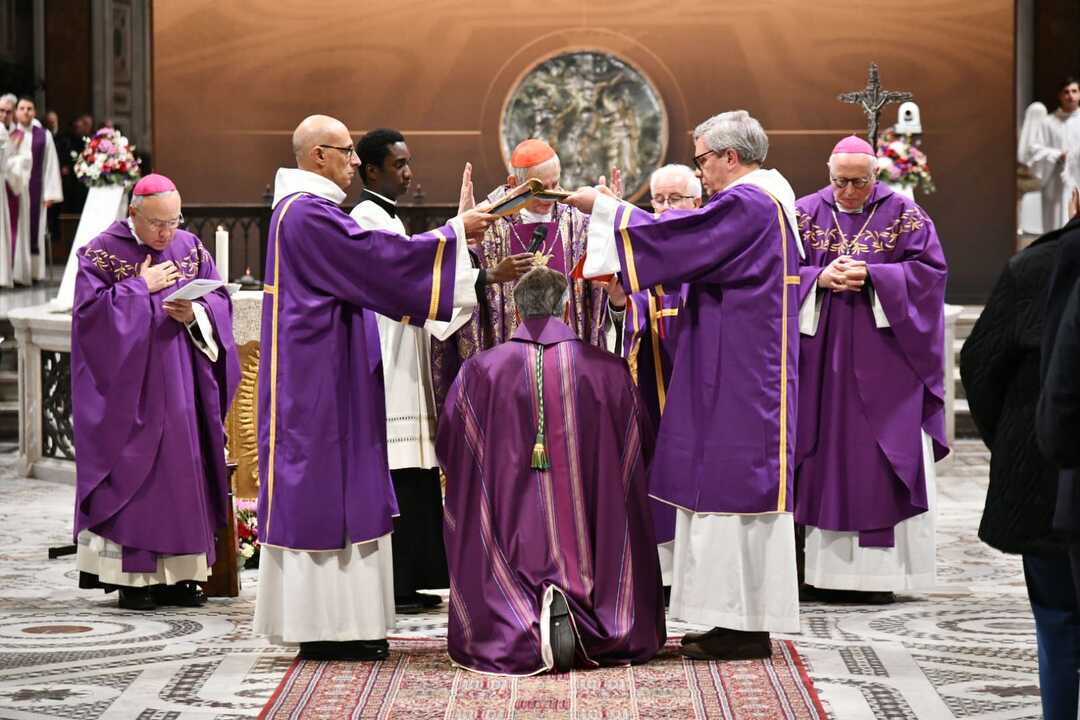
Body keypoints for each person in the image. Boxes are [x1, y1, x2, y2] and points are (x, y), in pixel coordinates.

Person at [252, 114, 493, 662]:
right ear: (317, 156)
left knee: (346, 491)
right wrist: (455, 232)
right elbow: (378, 261)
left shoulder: (306, 213)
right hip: (319, 388)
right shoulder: (308, 216)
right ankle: (325, 626)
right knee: (325, 495)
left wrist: (455, 234)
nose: (355, 161)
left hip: (331, 372)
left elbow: (378, 270)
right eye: (345, 151)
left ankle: (344, 624)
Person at [567, 109, 802, 661]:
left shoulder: (749, 202)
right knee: (719, 490)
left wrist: (603, 209)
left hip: (743, 373)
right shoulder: (767, 201)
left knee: (733, 490)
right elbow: (691, 252)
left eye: (702, 162)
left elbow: (682, 237)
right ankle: (731, 620)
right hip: (737, 360)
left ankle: (743, 626)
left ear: (730, 156)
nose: (701, 176)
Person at [437, 266, 665, 675]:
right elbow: (641, 444)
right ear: (564, 307)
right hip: (590, 527)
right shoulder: (609, 370)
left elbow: (451, 446)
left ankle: (512, 617)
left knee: (489, 520)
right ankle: (594, 617)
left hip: (508, 521)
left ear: (517, 309)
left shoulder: (479, 371)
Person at [71, 173, 240, 610]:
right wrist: (139, 290)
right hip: (130, 393)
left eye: (174, 221)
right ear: (133, 214)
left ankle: (183, 575)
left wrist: (195, 312)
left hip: (181, 382)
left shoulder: (189, 247)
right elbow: (89, 322)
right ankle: (134, 577)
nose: (167, 233)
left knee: (183, 472)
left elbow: (220, 301)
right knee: (136, 476)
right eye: (157, 224)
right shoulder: (101, 254)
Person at [793, 136, 948, 604]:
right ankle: (811, 571)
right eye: (839, 181)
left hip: (886, 362)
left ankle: (875, 577)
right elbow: (777, 272)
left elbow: (931, 275)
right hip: (819, 359)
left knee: (878, 457)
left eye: (858, 182)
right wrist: (817, 279)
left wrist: (875, 277)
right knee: (815, 451)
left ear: (875, 177)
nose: (847, 192)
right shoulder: (803, 213)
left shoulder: (905, 215)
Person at [963, 188, 1078, 720]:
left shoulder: (1033, 266)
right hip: (1042, 466)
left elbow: (981, 366)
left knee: (1056, 616)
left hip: (1041, 467)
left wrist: (1010, 439)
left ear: (1074, 200)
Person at [348, 128, 474, 614]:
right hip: (388, 351)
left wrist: (458, 229)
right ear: (372, 169)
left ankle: (413, 576)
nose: (408, 172)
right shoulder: (366, 217)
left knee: (415, 467)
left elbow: (416, 265)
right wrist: (462, 236)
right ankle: (398, 580)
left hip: (405, 348)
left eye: (408, 162)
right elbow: (404, 275)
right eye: (399, 164)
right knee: (400, 466)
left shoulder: (387, 218)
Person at [432, 139, 608, 413]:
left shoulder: (575, 218)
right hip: (508, 361)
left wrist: (608, 225)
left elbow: (598, 288)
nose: (551, 196)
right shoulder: (489, 219)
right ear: (514, 182)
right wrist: (462, 238)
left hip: (565, 362)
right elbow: (458, 283)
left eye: (555, 184)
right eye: (540, 188)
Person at [604, 163, 701, 596]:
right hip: (654, 392)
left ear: (696, 203)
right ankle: (661, 576)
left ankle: (699, 572)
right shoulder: (645, 254)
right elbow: (630, 314)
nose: (662, 209)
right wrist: (623, 305)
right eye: (657, 200)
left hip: (701, 392)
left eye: (673, 199)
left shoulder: (707, 246)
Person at [7, 96, 63, 283]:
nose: (26, 112)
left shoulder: (44, 135)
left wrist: (50, 193)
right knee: (15, 230)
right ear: (16, 111)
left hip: (36, 191)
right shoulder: (11, 133)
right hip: (14, 189)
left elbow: (50, 164)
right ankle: (14, 273)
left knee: (34, 231)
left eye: (29, 108)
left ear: (35, 112)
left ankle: (33, 273)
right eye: (22, 108)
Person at [1030, 77, 1080, 231]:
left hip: (1078, 179)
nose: (1070, 96)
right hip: (1055, 182)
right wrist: (1058, 154)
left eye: (1074, 91)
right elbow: (1035, 150)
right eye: (1066, 92)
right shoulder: (1048, 122)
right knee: (1056, 227)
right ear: (1059, 95)